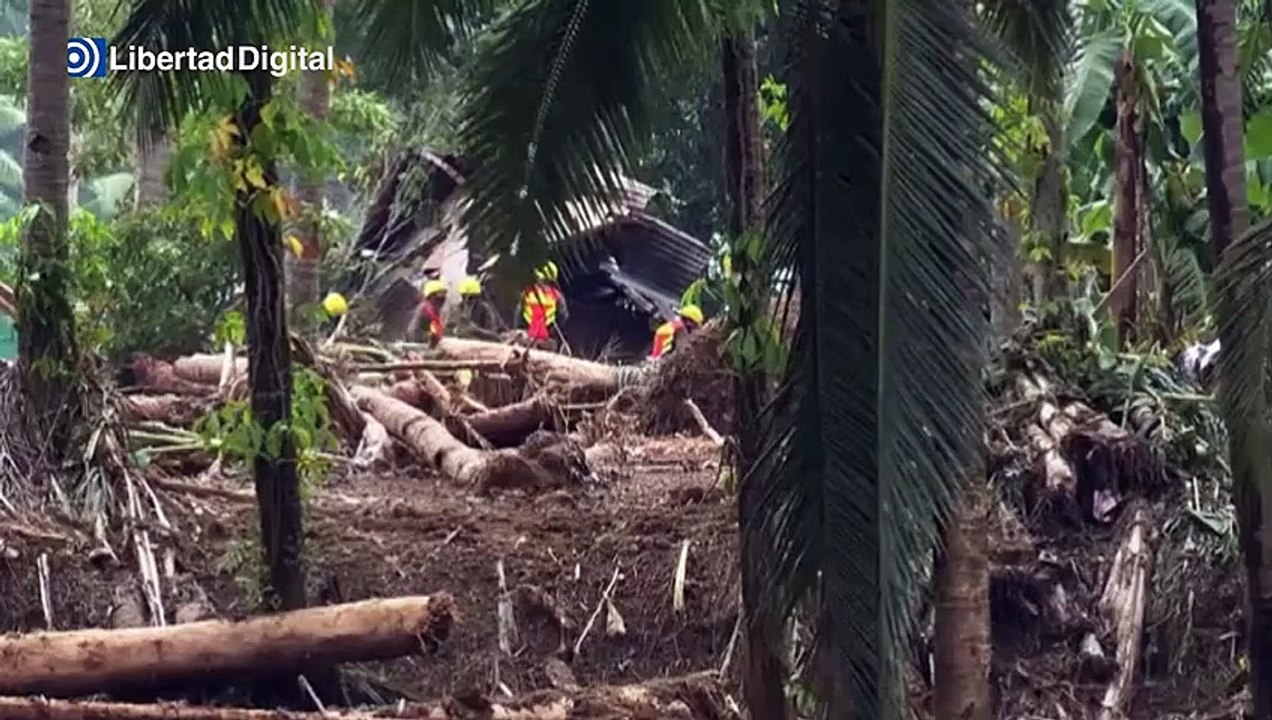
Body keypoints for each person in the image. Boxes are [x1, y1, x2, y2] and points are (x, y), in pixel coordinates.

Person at [519, 262, 567, 348]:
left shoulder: (527, 293)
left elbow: (519, 315)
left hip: (526, 339)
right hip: (547, 341)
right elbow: (562, 317)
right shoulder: (557, 296)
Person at [411, 279, 448, 346]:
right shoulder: (426, 308)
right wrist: (431, 337)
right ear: (432, 295)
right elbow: (414, 332)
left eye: (444, 294)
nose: (444, 297)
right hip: (418, 343)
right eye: (441, 293)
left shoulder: (433, 307)